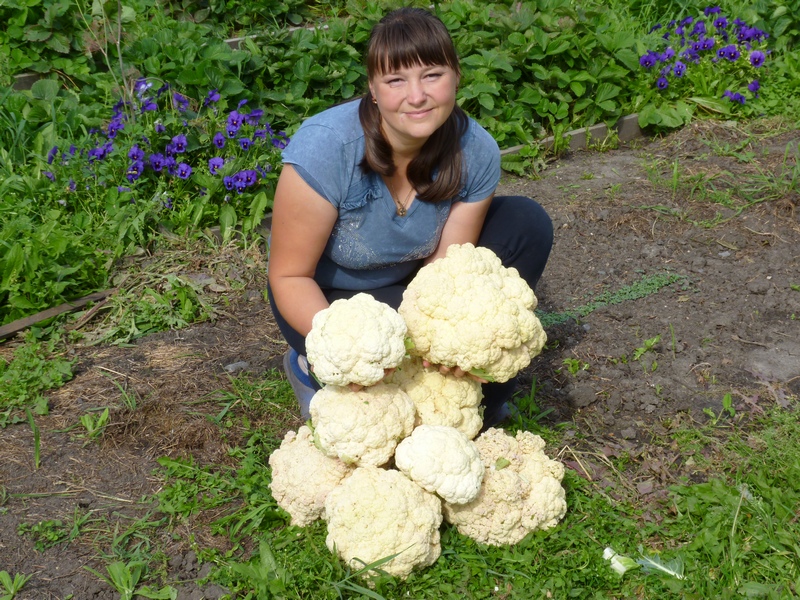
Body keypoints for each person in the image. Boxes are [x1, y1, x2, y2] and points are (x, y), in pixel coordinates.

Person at [267, 7, 553, 424]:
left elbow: (445, 272)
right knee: (377, 385)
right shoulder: (326, 148)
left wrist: (452, 339)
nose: (416, 96)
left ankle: (466, 385)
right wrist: (345, 345)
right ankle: (306, 366)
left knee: (526, 222)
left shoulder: (475, 151)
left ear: (456, 76)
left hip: (411, 285)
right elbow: (290, 276)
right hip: (324, 297)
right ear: (373, 88)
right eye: (396, 80)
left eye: (432, 75)